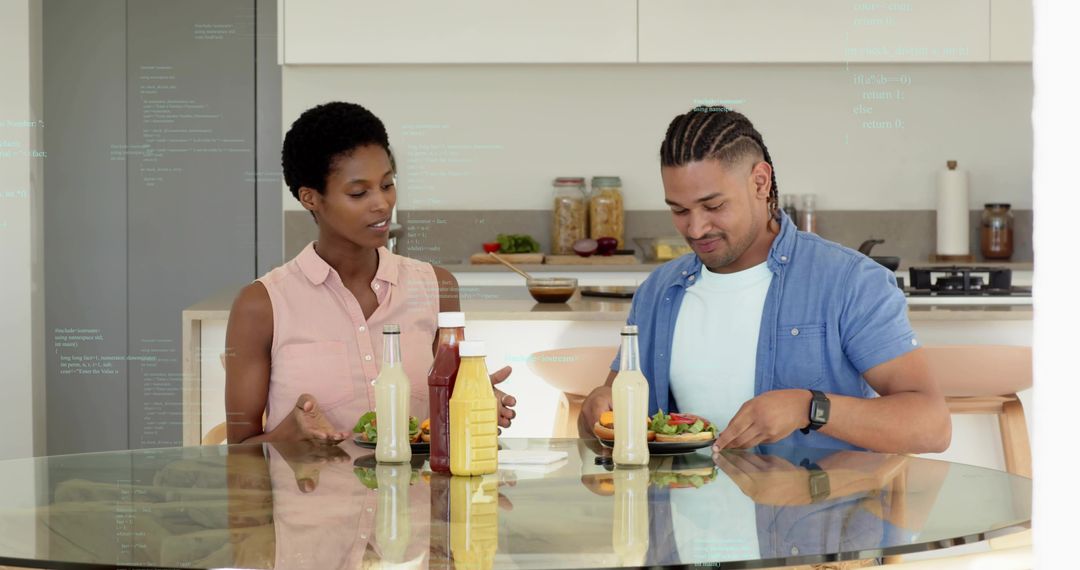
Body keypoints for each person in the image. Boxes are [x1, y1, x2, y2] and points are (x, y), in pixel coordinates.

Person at [579, 106, 950, 454]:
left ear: (760, 182)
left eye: (713, 206)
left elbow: (932, 426)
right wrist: (593, 412)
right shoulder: (658, 292)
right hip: (673, 517)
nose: (695, 227)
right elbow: (610, 422)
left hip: (815, 516)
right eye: (679, 210)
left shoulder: (848, 282)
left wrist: (810, 407)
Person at [224, 101, 516, 444]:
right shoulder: (261, 305)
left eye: (388, 184)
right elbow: (238, 454)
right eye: (358, 192)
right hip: (311, 498)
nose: (382, 203)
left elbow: (450, 409)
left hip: (420, 495)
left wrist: (476, 403)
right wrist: (288, 436)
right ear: (310, 198)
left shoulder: (437, 287)